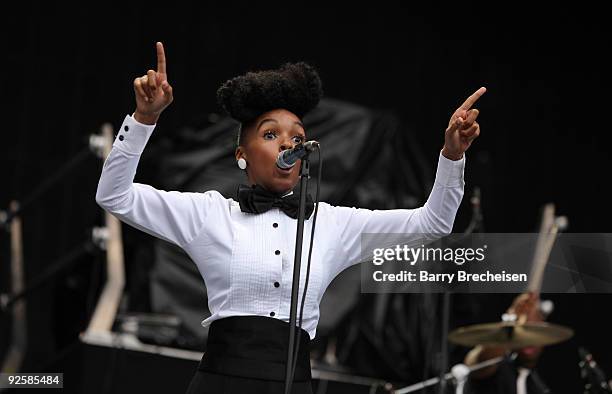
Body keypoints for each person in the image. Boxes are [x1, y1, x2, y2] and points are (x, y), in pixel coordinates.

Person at [95, 41, 485, 394]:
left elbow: (432, 224)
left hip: (293, 382)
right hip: (221, 382)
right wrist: (143, 119)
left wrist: (452, 157)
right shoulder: (209, 214)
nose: (287, 144)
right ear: (240, 155)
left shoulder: (332, 225)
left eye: (297, 138)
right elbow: (114, 195)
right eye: (270, 135)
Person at [465, 292, 550, 394]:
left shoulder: (538, 387)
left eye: (535, 332)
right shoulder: (498, 368)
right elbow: (478, 362)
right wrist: (512, 318)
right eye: (524, 330)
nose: (529, 340)